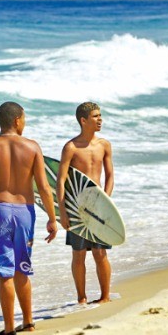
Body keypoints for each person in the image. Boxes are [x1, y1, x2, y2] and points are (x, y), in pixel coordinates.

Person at [0, 101, 58, 335]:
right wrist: (53, 219)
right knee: (22, 268)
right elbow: (45, 188)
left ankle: (8, 329)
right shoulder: (33, 147)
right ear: (17, 120)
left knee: (5, 271)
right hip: (25, 212)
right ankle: (28, 322)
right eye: (24, 118)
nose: (25, 123)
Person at [56, 102, 114, 305]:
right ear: (83, 120)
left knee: (100, 252)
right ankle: (81, 297)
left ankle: (105, 296)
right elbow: (60, 180)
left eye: (100, 116)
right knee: (78, 254)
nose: (100, 119)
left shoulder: (104, 145)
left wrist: (106, 201)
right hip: (77, 207)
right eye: (96, 116)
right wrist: (62, 211)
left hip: (99, 206)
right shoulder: (71, 147)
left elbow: (110, 176)